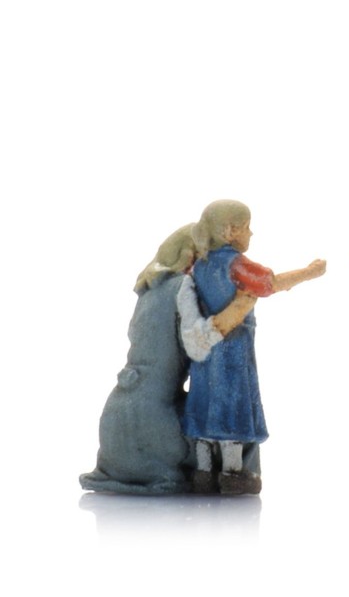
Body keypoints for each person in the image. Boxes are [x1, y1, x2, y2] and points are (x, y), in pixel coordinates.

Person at [80, 224, 257, 494]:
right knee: (236, 422)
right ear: (192, 256)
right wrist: (240, 309)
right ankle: (230, 476)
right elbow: (200, 346)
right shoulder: (184, 288)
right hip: (154, 423)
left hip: (116, 418)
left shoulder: (149, 289)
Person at [181, 200, 326, 495]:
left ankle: (203, 472)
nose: (251, 233)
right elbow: (270, 283)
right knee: (231, 406)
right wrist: (309, 272)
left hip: (204, 349)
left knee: (203, 403)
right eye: (247, 227)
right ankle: (233, 473)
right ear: (230, 231)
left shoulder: (198, 265)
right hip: (232, 349)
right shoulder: (236, 264)